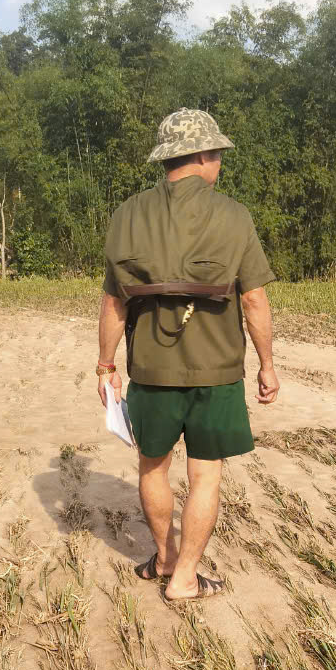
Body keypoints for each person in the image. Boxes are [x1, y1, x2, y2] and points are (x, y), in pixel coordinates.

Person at [97, 108, 280, 603]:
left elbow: (115, 301)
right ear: (202, 155)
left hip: (150, 372)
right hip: (216, 372)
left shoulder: (127, 214)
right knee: (206, 474)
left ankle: (164, 557)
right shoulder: (233, 214)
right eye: (217, 154)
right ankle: (185, 579)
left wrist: (106, 366)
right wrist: (266, 365)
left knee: (152, 468)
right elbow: (254, 299)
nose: (219, 163)